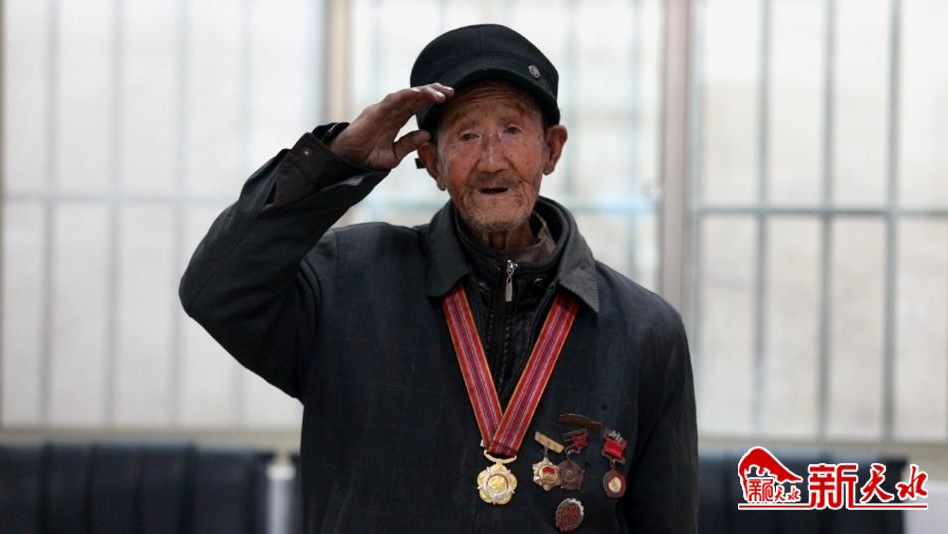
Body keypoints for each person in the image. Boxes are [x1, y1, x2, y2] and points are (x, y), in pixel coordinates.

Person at [180, 23, 697, 533]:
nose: (491, 160)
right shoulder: (347, 281)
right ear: (430, 161)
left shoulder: (644, 332)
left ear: (552, 149)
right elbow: (216, 292)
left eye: (512, 130)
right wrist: (335, 163)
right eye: (467, 134)